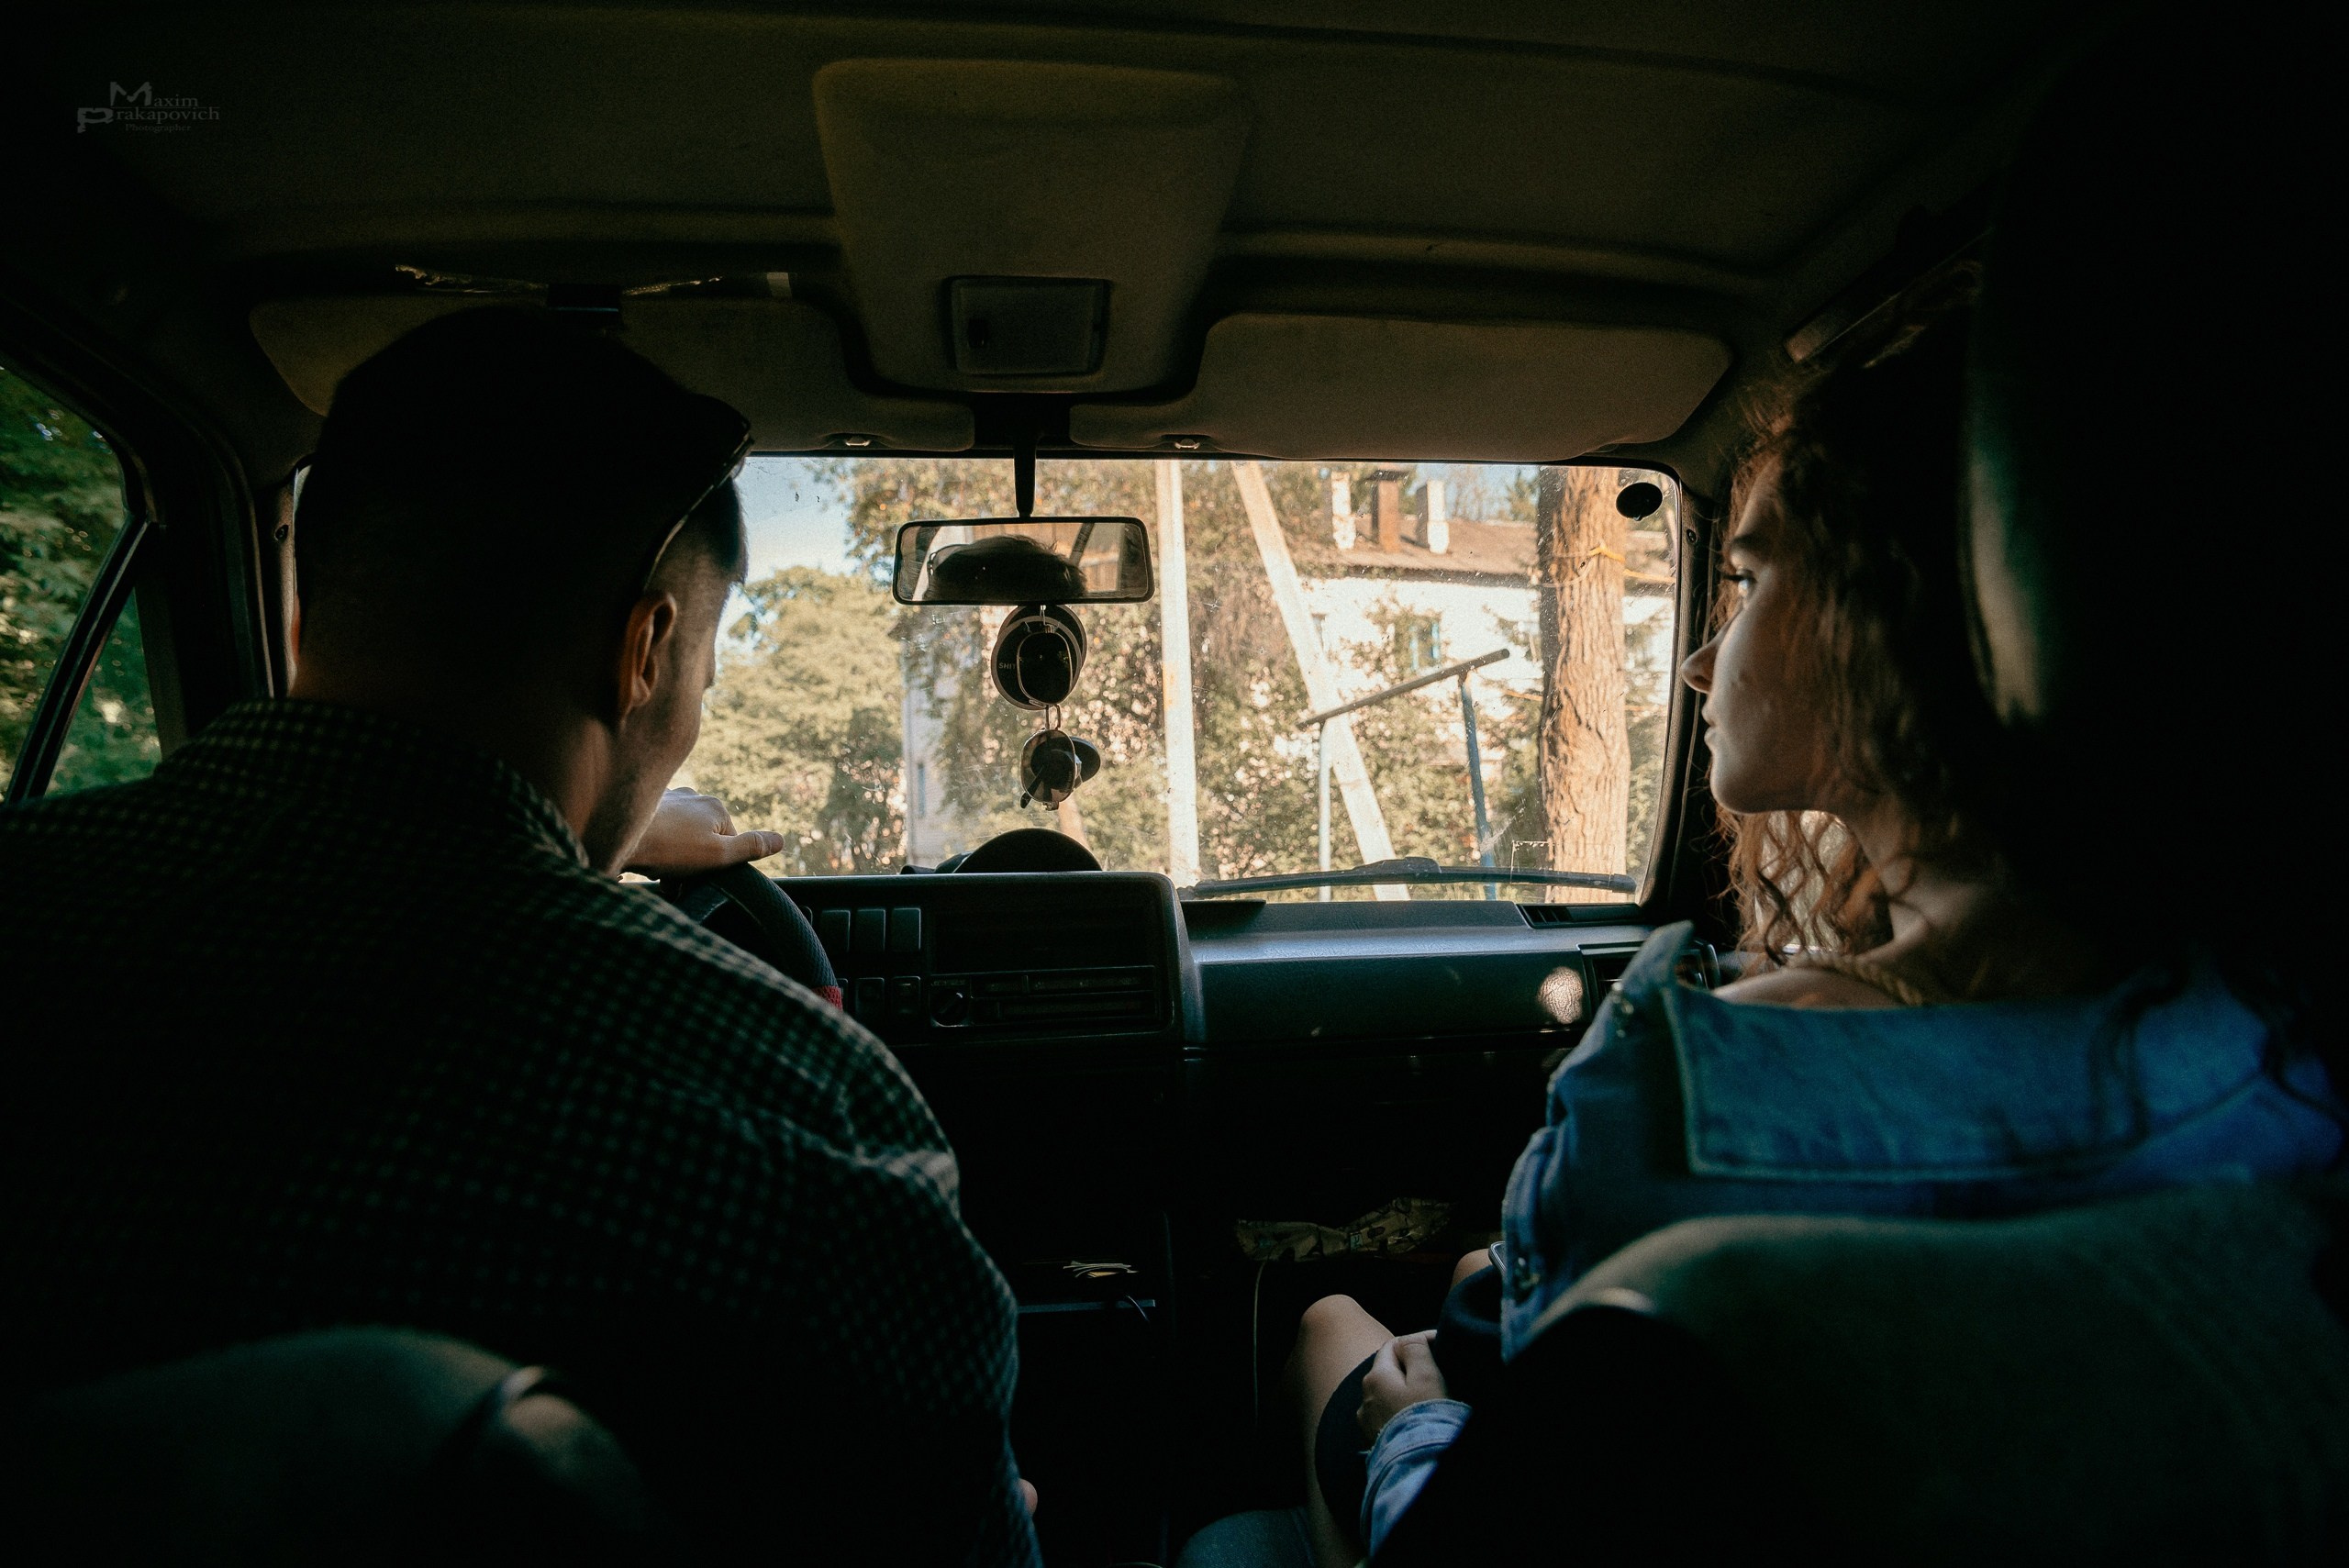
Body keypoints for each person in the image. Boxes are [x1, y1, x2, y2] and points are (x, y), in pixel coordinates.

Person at [1256, 282, 2345, 1568]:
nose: (1701, 662)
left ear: (1894, 616)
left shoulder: (1680, 1098)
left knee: (1331, 1326)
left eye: (1749, 575)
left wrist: (1413, 1430)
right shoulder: (2285, 1040)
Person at [0, 307, 1039, 1565]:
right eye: (701, 676)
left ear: (301, 619)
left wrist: (583, 835)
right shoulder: (802, 1118)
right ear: (644, 650)